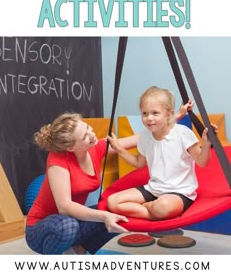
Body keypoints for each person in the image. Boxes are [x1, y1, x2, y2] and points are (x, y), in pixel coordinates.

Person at [25, 103, 192, 255]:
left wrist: (172, 118)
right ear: (71, 147)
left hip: (71, 222)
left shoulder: (95, 148)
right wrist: (103, 216)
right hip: (42, 229)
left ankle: (79, 250)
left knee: (115, 211)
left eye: (88, 128)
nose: (91, 135)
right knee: (70, 225)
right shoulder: (58, 160)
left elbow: (139, 138)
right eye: (85, 136)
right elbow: (65, 207)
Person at [107, 86, 217, 221]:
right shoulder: (145, 136)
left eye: (155, 113)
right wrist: (119, 149)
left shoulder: (182, 133)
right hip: (154, 189)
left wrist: (206, 144)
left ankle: (151, 208)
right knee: (112, 202)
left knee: (163, 206)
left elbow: (202, 161)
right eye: (145, 113)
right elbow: (139, 163)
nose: (149, 118)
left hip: (179, 193)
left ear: (169, 114)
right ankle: (151, 211)